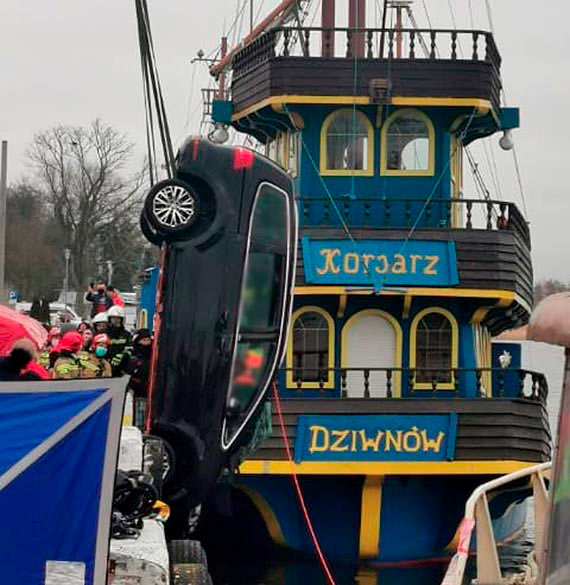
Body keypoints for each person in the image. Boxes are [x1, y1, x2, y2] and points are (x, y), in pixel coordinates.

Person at [126, 329, 152, 398]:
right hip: (137, 391)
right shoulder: (133, 357)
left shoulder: (154, 355)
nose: (146, 343)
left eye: (148, 340)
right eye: (144, 340)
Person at [107, 305, 132, 376]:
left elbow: (129, 349)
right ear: (109, 319)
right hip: (106, 365)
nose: (115, 320)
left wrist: (122, 356)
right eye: (113, 318)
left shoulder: (126, 334)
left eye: (118, 318)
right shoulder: (104, 333)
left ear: (122, 320)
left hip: (121, 367)